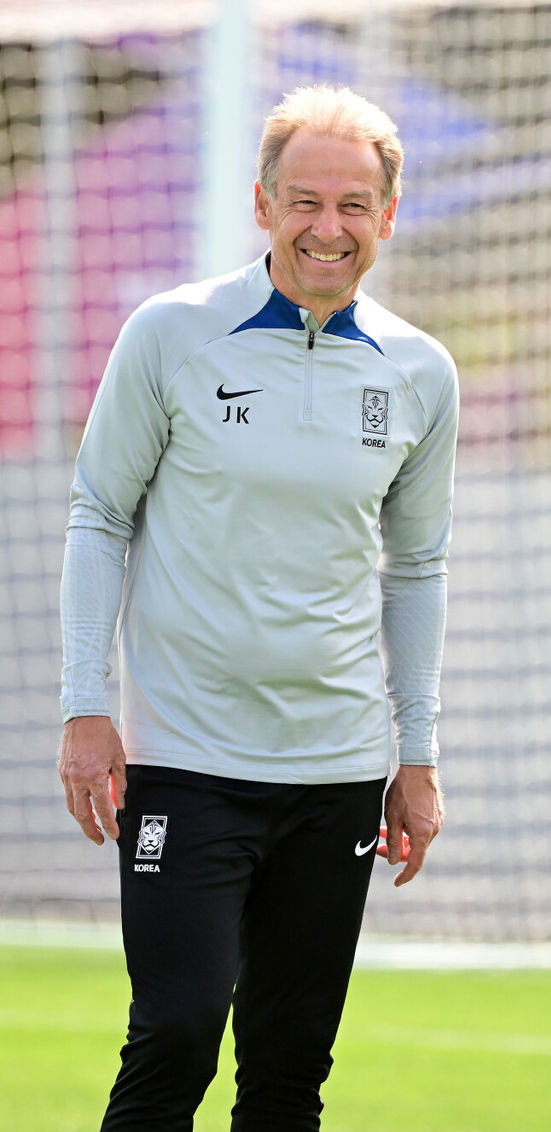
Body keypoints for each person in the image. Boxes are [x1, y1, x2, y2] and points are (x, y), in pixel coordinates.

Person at [57, 84, 458, 1131]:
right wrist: (82, 703)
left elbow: (414, 569)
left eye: (355, 204)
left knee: (288, 1073)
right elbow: (100, 514)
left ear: (388, 215)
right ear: (262, 203)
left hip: (338, 774)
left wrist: (414, 755)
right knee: (179, 1030)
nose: (329, 228)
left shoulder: (421, 373)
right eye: (306, 201)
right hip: (187, 762)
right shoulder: (172, 334)